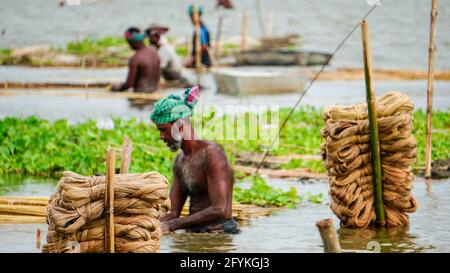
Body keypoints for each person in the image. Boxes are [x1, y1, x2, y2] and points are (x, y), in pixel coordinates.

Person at [150, 86, 240, 234]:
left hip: (219, 234)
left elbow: (221, 210)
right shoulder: (180, 161)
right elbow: (172, 213)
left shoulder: (213, 155)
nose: (161, 137)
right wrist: (145, 223)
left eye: (162, 129)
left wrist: (172, 226)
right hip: (195, 233)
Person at [111, 27, 160, 93]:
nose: (129, 45)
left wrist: (117, 88)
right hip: (155, 92)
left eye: (128, 42)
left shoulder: (135, 59)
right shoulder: (154, 52)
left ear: (132, 41)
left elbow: (129, 84)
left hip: (140, 93)